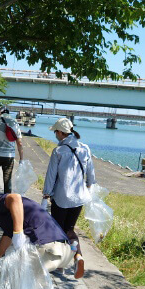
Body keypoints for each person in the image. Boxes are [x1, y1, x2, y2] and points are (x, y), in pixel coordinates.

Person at [42, 117, 96, 279]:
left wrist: (46, 193)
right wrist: (87, 187)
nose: (55, 135)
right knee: (70, 229)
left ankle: (60, 266)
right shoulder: (84, 148)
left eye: (55, 132)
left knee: (58, 230)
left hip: (61, 197)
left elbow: (51, 175)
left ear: (60, 132)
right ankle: (77, 256)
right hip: (79, 198)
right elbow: (91, 176)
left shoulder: (58, 151)